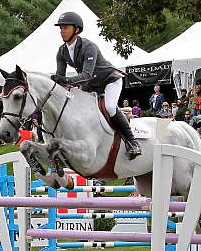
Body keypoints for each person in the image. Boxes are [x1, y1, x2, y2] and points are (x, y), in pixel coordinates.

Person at [51, 11, 141, 159]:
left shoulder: (89, 46)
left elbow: (86, 75)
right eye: (61, 28)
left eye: (65, 27)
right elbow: (60, 78)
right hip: (91, 85)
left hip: (109, 80)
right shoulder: (61, 51)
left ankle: (133, 142)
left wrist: (66, 80)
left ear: (77, 29)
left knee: (110, 107)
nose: (62, 31)